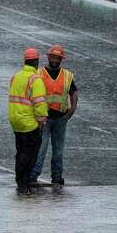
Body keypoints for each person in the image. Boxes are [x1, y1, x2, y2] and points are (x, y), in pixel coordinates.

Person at [30, 44, 78, 187]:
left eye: (58, 58)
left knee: (58, 151)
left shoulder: (67, 76)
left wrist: (71, 110)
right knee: (41, 149)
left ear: (61, 59)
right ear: (48, 57)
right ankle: (33, 176)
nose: (55, 60)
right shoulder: (39, 73)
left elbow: (74, 93)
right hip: (44, 119)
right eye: (53, 57)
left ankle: (57, 177)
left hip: (61, 119)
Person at [7, 47, 48, 194]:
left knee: (20, 152)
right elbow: (39, 102)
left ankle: (20, 181)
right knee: (30, 153)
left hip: (15, 120)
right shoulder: (36, 79)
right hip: (29, 122)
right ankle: (25, 183)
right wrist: (42, 119)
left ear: (25, 61)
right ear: (36, 62)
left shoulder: (16, 77)